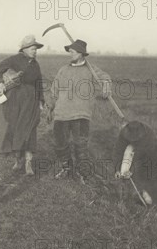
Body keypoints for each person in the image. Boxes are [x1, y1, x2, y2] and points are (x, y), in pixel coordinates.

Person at [46, 39, 112, 182]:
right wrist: (50, 107)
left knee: (80, 145)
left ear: (81, 53)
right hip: (62, 114)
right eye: (70, 51)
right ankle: (67, 169)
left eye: (73, 51)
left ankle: (84, 174)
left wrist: (106, 85)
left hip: (81, 114)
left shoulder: (91, 70)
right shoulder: (63, 70)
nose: (70, 53)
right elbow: (54, 90)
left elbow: (105, 78)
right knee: (60, 144)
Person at [0, 35, 46, 176]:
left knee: (29, 129)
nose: (35, 52)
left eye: (36, 49)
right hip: (14, 100)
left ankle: (29, 162)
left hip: (31, 100)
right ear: (24, 49)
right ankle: (18, 160)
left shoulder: (35, 64)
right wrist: (0, 82)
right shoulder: (14, 59)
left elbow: (39, 83)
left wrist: (41, 100)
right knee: (15, 129)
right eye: (32, 49)